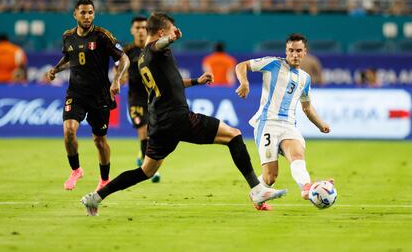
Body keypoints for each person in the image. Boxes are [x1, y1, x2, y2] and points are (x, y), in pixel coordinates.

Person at [81, 12, 286, 216]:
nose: (174, 33)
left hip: (159, 122)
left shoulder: (143, 57)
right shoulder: (155, 49)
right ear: (162, 32)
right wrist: (170, 38)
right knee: (234, 135)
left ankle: (97, 197)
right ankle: (257, 189)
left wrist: (197, 81)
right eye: (170, 30)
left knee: (146, 171)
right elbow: (157, 45)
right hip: (176, 118)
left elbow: (174, 83)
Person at [235, 33, 332, 202]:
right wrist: (244, 83)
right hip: (267, 124)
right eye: (291, 50)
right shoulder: (273, 63)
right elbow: (241, 65)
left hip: (288, 125)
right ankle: (257, 193)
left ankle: (307, 188)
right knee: (271, 177)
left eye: (299, 51)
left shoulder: (305, 78)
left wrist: (320, 124)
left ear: (305, 52)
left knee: (297, 155)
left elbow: (307, 107)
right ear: (286, 51)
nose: (295, 54)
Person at [45, 0, 130, 192]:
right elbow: (69, 57)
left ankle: (104, 179)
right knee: (68, 131)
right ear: (75, 14)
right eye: (83, 13)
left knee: (99, 141)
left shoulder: (102, 35)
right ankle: (76, 170)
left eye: (90, 12)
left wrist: (117, 79)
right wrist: (56, 69)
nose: (87, 16)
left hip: (99, 96)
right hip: (75, 93)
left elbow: (124, 58)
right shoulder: (68, 36)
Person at [119, 16, 160, 182]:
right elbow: (120, 72)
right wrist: (120, 77)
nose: (141, 30)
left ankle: (143, 155)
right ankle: (149, 168)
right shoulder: (127, 52)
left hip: (154, 98)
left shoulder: (154, 49)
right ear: (132, 30)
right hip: (136, 99)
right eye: (137, 27)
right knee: (143, 130)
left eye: (144, 27)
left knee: (151, 134)